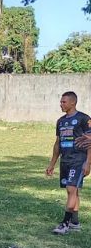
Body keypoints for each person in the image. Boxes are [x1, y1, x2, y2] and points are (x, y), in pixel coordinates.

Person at [46, 91, 91, 234]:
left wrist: (88, 163)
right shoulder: (60, 121)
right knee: (72, 190)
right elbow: (58, 143)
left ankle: (65, 224)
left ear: (73, 102)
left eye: (64, 102)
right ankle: (75, 222)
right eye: (61, 102)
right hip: (65, 160)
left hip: (79, 160)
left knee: (71, 189)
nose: (61, 104)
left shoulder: (84, 119)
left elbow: (90, 143)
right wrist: (52, 163)